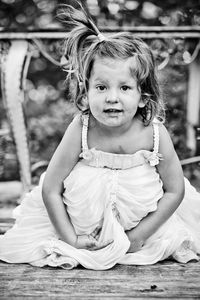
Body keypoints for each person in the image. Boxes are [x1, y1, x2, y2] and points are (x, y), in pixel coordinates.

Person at [0, 3, 200, 270]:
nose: (112, 98)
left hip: (144, 230)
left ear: (143, 97)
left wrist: (138, 237)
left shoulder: (153, 132)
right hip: (84, 230)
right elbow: (51, 188)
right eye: (101, 87)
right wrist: (71, 238)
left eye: (125, 87)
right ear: (86, 92)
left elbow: (175, 190)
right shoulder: (82, 128)